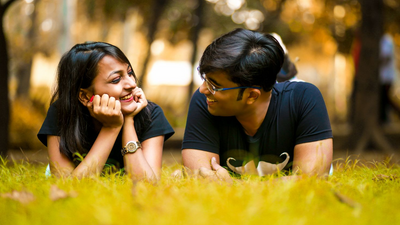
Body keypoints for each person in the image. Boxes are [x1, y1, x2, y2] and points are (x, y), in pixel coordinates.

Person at [182, 28, 332, 181]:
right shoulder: (206, 102)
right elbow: (201, 180)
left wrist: (231, 185)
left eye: (214, 85)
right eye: (205, 78)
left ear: (252, 95)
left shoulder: (303, 100)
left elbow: (310, 181)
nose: (202, 89)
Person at [37, 42, 174, 180]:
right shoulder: (63, 113)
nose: (132, 84)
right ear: (85, 96)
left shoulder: (151, 114)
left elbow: (147, 185)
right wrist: (111, 128)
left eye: (130, 73)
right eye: (116, 79)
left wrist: (128, 121)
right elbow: (66, 186)